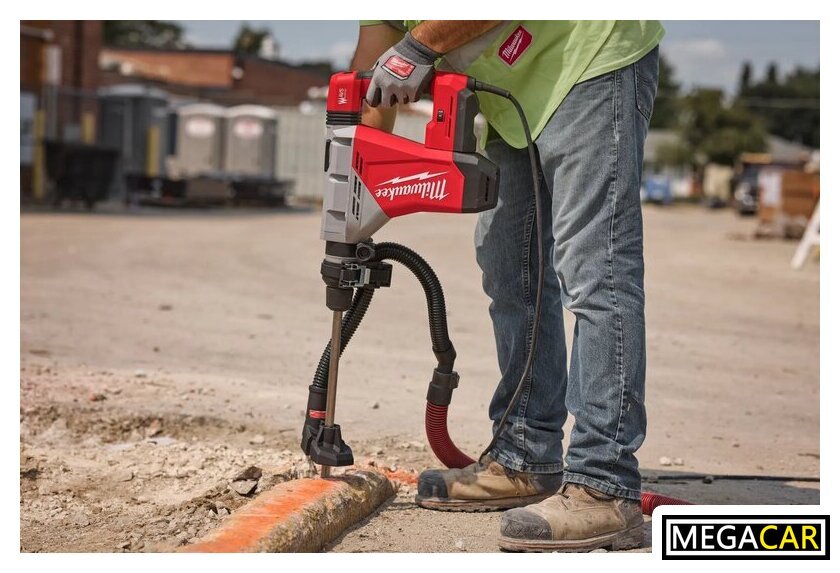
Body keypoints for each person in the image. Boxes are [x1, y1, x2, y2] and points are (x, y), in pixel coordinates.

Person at [352, 20, 663, 552]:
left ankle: (604, 484)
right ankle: (525, 454)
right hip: (512, 94)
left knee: (597, 271)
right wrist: (351, 187)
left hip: (585, 55)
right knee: (510, 267)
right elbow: (372, 77)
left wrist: (419, 46)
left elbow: (406, 51)